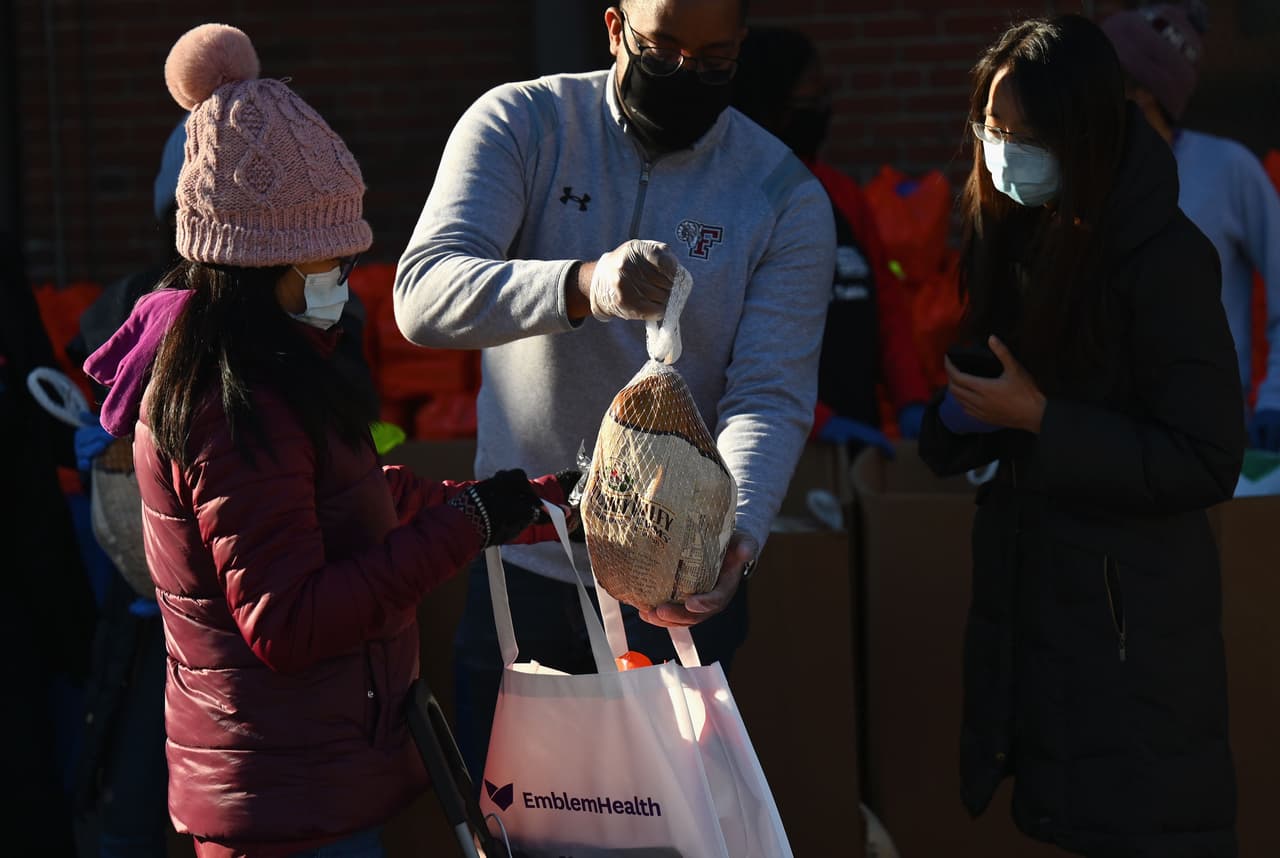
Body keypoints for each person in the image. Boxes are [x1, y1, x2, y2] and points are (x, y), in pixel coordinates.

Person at [82, 24, 576, 858]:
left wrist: (532, 506)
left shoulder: (272, 369)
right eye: (332, 260)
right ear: (259, 261)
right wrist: (469, 529)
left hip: (305, 781)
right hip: (282, 806)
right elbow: (291, 621)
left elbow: (353, 498)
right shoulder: (229, 403)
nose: (346, 281)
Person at [394, 0, 836, 782]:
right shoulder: (524, 124)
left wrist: (737, 532)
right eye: (662, 51)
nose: (684, 77)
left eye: (714, 61)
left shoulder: (781, 195)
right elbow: (423, 295)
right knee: (512, 829)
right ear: (612, 28)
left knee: (671, 833)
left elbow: (768, 393)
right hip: (522, 566)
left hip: (674, 585)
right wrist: (582, 284)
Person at [918, 15, 1243, 857]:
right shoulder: (1015, 231)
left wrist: (1040, 420)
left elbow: (1205, 456)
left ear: (1086, 132)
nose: (1004, 151)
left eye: (1030, 135)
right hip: (1042, 619)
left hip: (1132, 639)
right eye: (993, 129)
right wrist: (960, 417)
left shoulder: (1164, 256)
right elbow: (977, 388)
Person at [731, 25, 932, 457]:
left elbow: (886, 304)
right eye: (810, 96)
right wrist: (820, 423)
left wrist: (912, 400)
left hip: (862, 431)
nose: (822, 107)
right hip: (785, 445)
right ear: (773, 101)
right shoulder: (740, 200)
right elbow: (734, 345)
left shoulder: (842, 194)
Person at [1102, 2, 1280, 451]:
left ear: (1144, 93)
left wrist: (1275, 400)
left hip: (1208, 433)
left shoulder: (1228, 169)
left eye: (1106, 80)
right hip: (1106, 432)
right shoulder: (1087, 177)